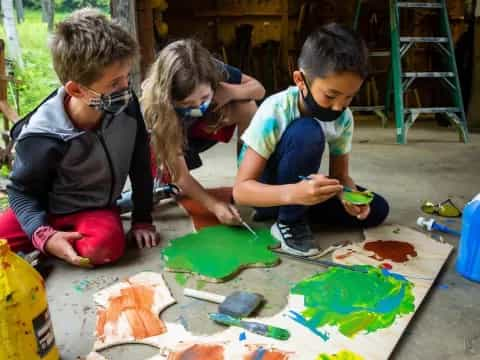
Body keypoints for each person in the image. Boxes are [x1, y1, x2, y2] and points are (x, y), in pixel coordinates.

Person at [0, 8, 158, 267]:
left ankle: (53, 241)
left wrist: (142, 219)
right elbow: (20, 192)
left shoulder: (128, 111)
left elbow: (140, 165)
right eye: (114, 83)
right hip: (45, 207)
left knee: (104, 247)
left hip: (94, 207)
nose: (126, 90)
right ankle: (49, 239)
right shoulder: (41, 135)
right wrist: (42, 233)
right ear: (75, 89)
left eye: (127, 77)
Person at [233, 24, 389, 256]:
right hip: (265, 187)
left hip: (298, 187)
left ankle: (289, 210)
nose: (339, 106)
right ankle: (288, 222)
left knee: (377, 209)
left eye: (349, 97)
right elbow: (241, 191)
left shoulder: (343, 117)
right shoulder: (275, 110)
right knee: (307, 132)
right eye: (331, 95)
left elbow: (340, 176)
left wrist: (348, 194)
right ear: (300, 80)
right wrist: (293, 194)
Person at [142, 39, 265, 225]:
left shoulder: (210, 69)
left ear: (212, 82)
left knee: (246, 105)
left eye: (204, 98)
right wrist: (215, 206)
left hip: (202, 129)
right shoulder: (156, 106)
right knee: (169, 183)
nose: (198, 107)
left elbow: (259, 90)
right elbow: (180, 175)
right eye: (187, 104)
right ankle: (161, 176)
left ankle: (245, 180)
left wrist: (230, 92)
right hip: (171, 136)